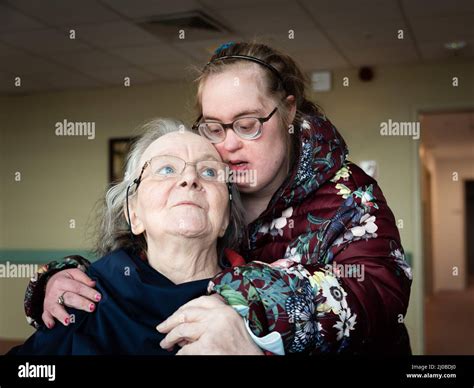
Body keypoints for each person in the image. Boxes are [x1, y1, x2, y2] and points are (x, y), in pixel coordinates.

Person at [22, 42, 412, 355]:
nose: (228, 145)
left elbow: (379, 292)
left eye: (247, 124)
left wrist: (245, 311)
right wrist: (61, 280)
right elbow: (139, 256)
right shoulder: (210, 186)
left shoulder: (347, 193)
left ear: (289, 112)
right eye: (213, 127)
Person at [11, 119, 261, 355]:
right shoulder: (86, 296)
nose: (189, 178)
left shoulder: (265, 301)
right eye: (166, 168)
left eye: (208, 172)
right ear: (133, 212)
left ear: (226, 217)